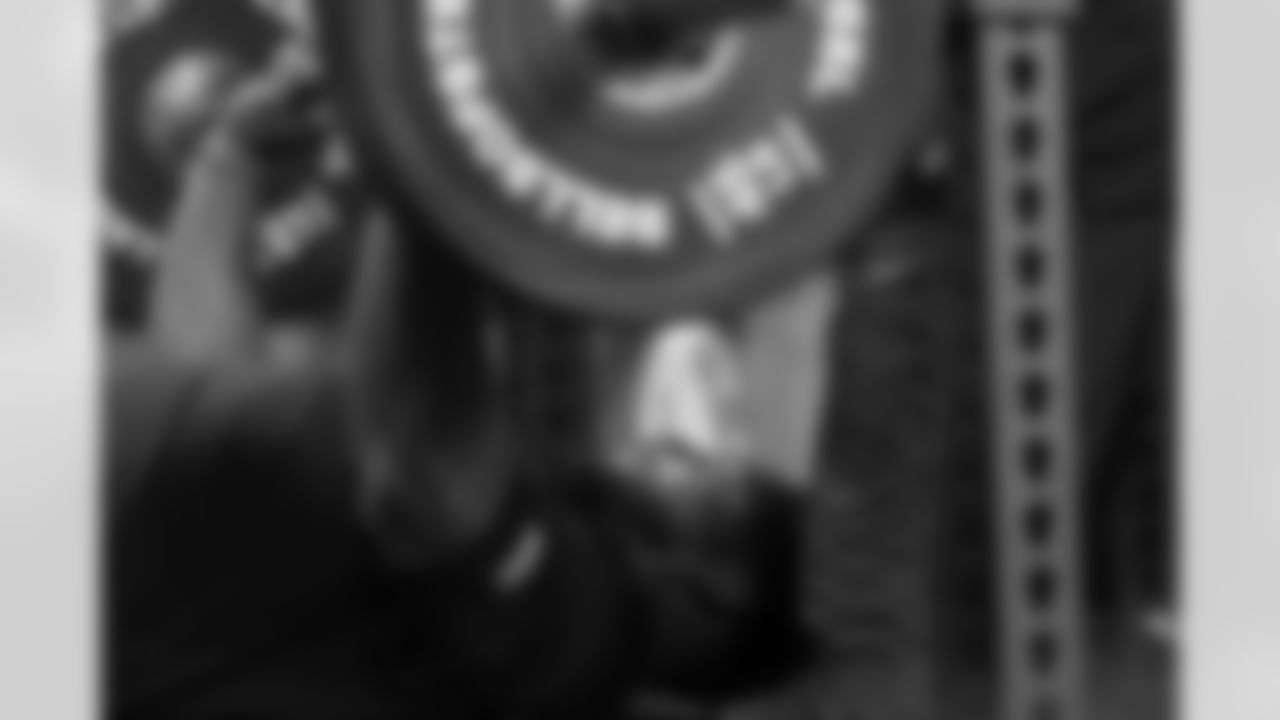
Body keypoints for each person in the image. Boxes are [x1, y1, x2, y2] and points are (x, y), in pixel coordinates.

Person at [107, 43, 802, 720]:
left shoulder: (583, 647)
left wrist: (433, 167)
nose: (676, 448)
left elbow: (423, 472)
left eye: (714, 479)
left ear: (720, 589)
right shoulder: (502, 508)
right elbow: (215, 397)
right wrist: (231, 164)